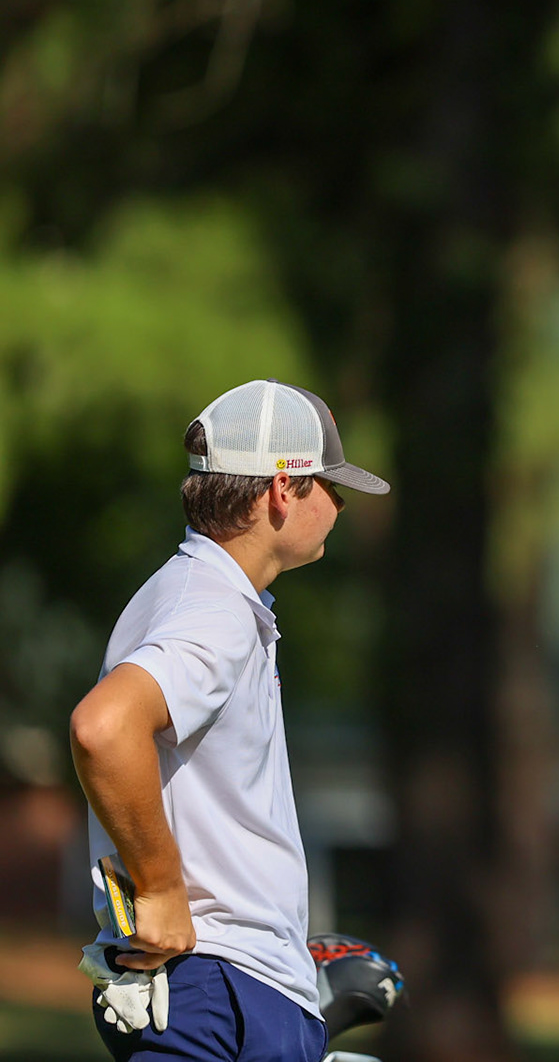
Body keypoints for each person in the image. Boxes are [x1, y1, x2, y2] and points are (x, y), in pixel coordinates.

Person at [69, 380, 390, 1062]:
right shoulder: (215, 610)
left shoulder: (196, 592)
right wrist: (161, 890)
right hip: (218, 988)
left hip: (229, 983)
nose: (339, 505)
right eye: (331, 486)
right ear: (283, 490)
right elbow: (104, 726)